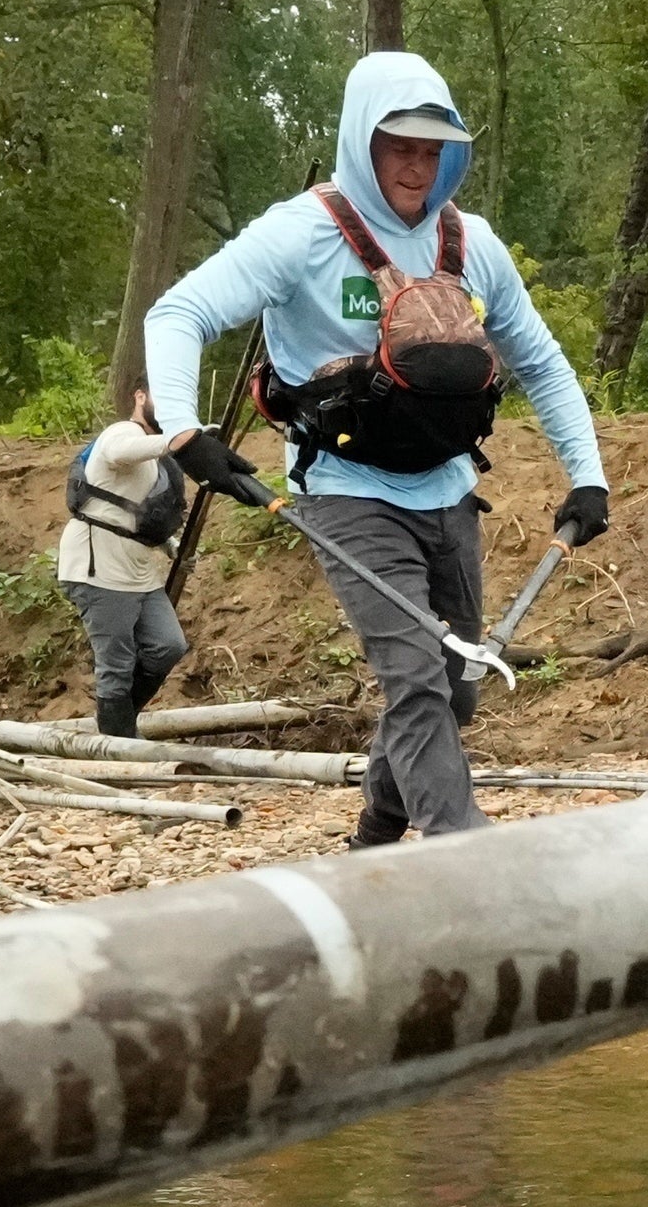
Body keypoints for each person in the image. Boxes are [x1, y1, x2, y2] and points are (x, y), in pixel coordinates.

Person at [139, 49, 608, 844]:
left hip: (448, 487)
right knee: (417, 679)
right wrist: (186, 431)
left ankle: (373, 843)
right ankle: (466, 853)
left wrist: (588, 477)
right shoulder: (300, 235)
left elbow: (542, 362)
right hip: (345, 490)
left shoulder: (472, 243)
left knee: (454, 687)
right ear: (362, 142)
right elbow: (178, 314)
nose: (417, 169)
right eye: (400, 149)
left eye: (432, 151)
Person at [52, 389, 265, 740]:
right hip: (98, 566)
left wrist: (170, 545)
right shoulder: (123, 433)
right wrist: (179, 440)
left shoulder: (158, 460)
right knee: (116, 664)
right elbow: (119, 452)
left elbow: (133, 512)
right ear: (139, 397)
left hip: (137, 568)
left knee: (168, 645)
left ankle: (119, 722)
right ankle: (119, 748)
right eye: (159, 395)